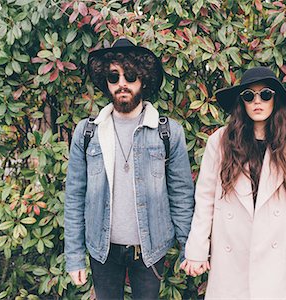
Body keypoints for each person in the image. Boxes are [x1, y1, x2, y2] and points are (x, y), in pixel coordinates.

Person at [64, 38, 194, 300]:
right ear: (106, 82)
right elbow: (74, 198)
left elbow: (181, 195)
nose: (122, 83)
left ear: (143, 79)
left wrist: (189, 248)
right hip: (103, 249)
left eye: (130, 75)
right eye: (114, 76)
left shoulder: (168, 132)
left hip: (150, 248)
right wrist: (75, 257)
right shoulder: (87, 132)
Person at [181, 67, 286, 299]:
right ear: (241, 102)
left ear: (276, 99)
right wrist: (197, 250)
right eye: (249, 96)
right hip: (231, 256)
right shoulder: (221, 141)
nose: (257, 101)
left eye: (265, 94)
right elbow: (205, 199)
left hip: (276, 262)